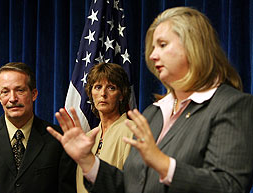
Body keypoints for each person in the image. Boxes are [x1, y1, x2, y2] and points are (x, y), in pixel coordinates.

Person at [47, 7, 253, 193]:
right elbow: (131, 186)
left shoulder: (232, 106)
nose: (153, 55)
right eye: (153, 47)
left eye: (162, 45)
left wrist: (163, 163)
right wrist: (88, 161)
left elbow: (229, 186)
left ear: (194, 46)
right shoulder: (154, 113)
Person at [0, 62, 76, 193]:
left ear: (33, 94)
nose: (13, 98)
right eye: (5, 92)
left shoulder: (58, 138)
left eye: (20, 90)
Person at [76, 62, 134, 193]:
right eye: (97, 87)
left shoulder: (131, 132)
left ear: (121, 95)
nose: (103, 93)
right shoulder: (87, 137)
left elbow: (133, 185)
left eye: (111, 88)